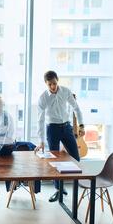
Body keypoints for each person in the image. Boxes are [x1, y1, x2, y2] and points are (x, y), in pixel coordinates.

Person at [35, 70, 85, 202]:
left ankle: (78, 185)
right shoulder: (43, 98)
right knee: (54, 161)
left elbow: (76, 108)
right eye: (50, 84)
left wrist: (81, 125)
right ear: (46, 83)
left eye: (55, 83)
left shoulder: (65, 91)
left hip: (66, 127)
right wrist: (41, 141)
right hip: (52, 129)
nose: (53, 86)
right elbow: (40, 120)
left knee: (75, 157)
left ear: (58, 81)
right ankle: (59, 189)